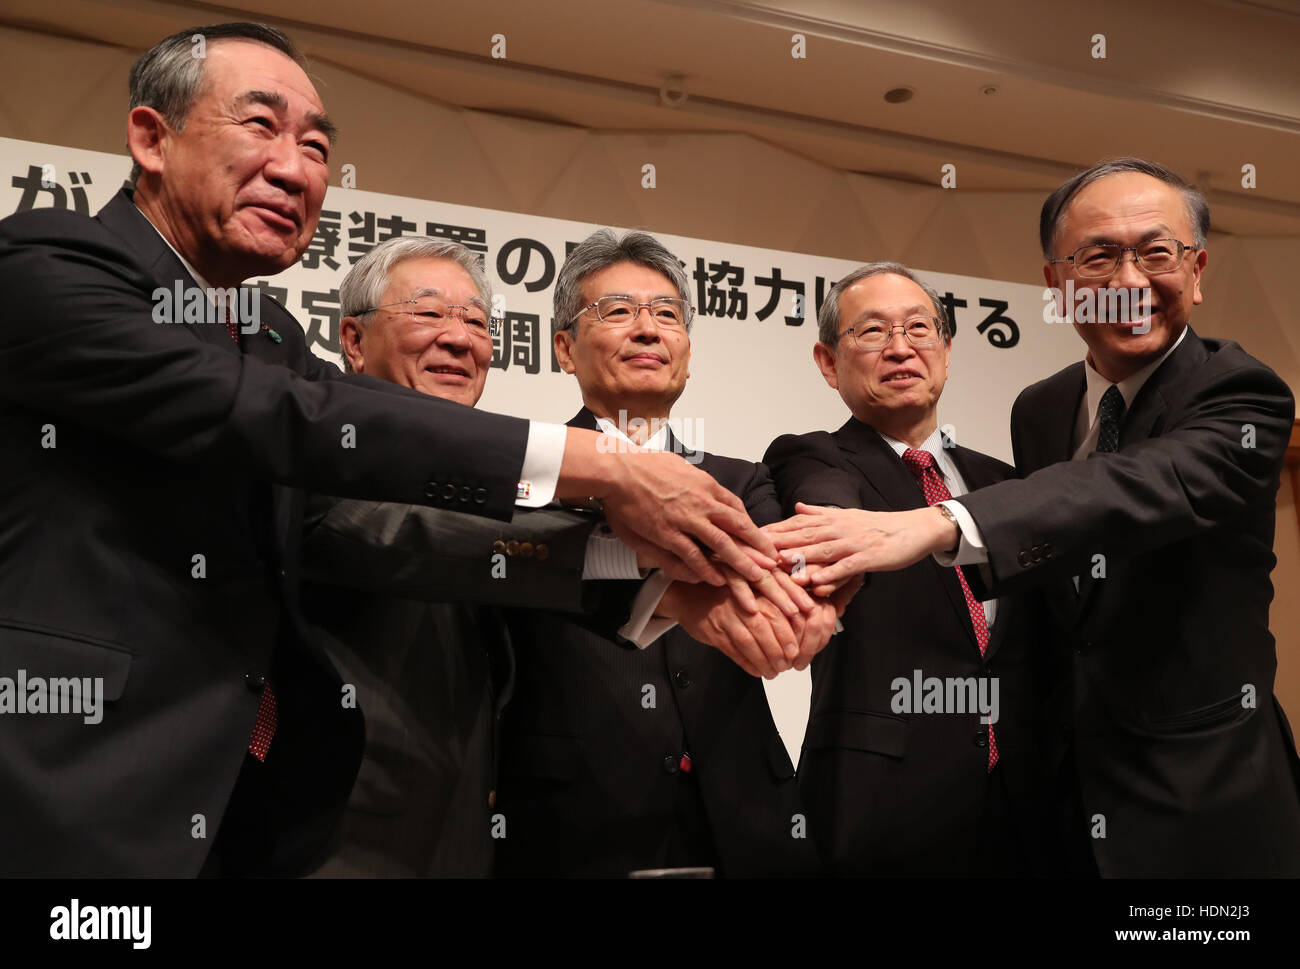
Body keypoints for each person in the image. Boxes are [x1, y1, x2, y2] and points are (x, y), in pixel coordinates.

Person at [0, 22, 779, 877]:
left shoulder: (263, 331)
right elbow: (282, 411)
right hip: (72, 791)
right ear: (152, 137)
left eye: (318, 146)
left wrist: (649, 581)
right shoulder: (48, 261)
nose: (297, 169)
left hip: (248, 820)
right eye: (261, 126)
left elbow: (374, 525)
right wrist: (602, 462)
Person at [770, 158, 1300, 877]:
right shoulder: (1042, 410)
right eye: (1099, 256)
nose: (1129, 281)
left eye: (1157, 252)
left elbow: (1135, 484)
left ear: (1198, 269)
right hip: (1055, 808)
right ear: (1057, 284)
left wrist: (939, 523)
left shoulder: (1242, 392)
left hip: (1203, 803)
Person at [494, 229, 839, 877]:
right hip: (573, 818)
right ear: (564, 349)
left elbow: (778, 595)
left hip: (747, 816)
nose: (647, 330)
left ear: (687, 350)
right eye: (619, 312)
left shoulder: (742, 481)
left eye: (666, 315)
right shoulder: (527, 476)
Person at [764, 263, 1048, 875]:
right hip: (880, 808)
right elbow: (825, 505)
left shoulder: (1006, 482)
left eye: (920, 328)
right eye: (872, 332)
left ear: (946, 351)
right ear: (827, 361)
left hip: (1026, 806)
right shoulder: (811, 455)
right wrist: (844, 527)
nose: (900, 347)